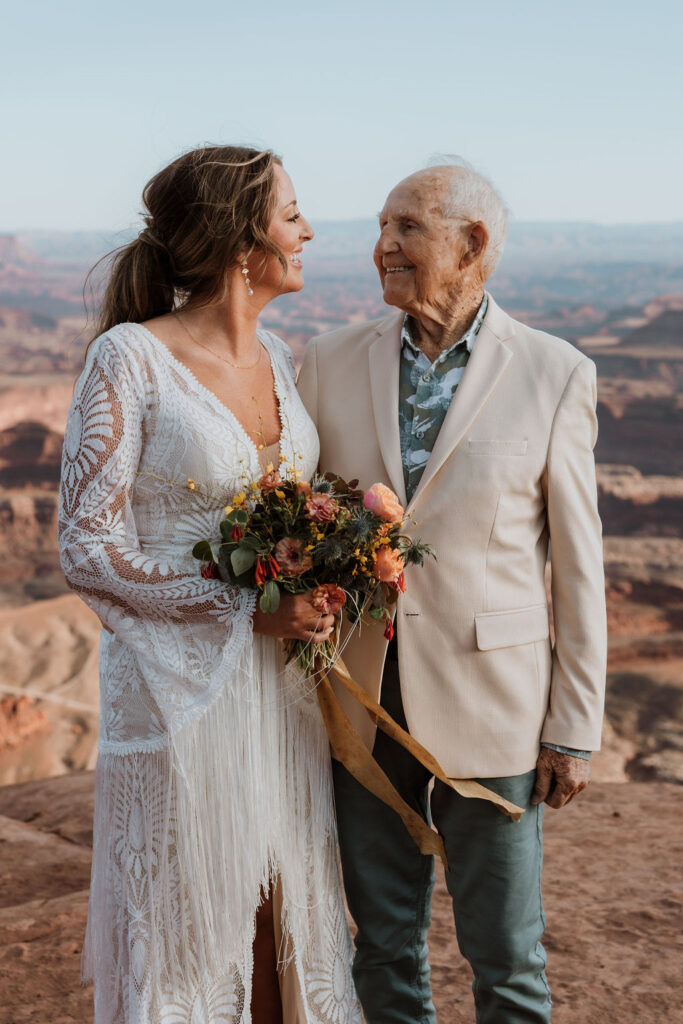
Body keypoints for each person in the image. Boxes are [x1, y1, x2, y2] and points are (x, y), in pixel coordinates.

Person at [297, 159, 607, 1024]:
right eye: (382, 227)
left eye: (405, 228)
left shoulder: (554, 373)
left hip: (497, 707)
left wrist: (573, 730)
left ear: (471, 245)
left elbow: (578, 565)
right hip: (360, 701)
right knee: (383, 945)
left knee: (506, 957)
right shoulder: (326, 361)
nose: (381, 247)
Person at [59, 145, 361, 1024]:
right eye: (291, 214)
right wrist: (247, 608)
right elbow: (87, 548)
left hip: (280, 697)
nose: (307, 230)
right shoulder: (130, 358)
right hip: (174, 694)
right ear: (241, 241)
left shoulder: (279, 356)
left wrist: (326, 574)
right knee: (191, 927)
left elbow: (288, 514)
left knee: (284, 914)